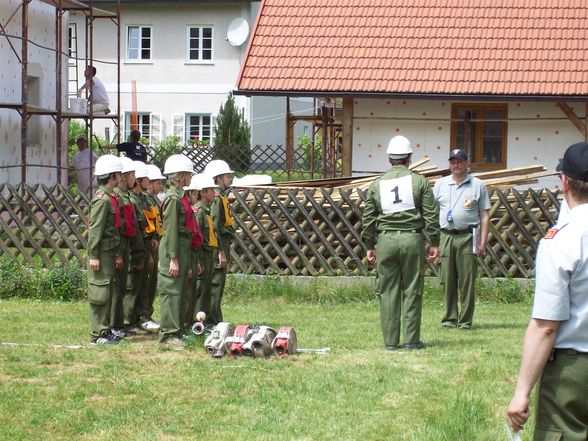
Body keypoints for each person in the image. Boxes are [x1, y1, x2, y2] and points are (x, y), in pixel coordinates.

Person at [507, 141, 588, 440]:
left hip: (574, 367)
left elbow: (544, 326)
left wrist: (521, 392)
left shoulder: (561, 240)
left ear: (564, 182)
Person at [361, 135, 440, 351]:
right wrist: (434, 242)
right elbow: (431, 215)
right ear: (409, 158)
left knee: (387, 290)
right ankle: (411, 340)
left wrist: (369, 245)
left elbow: (368, 218)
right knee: (412, 288)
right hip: (412, 239)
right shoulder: (419, 181)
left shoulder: (376, 184)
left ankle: (390, 342)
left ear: (389, 159)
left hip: (385, 240)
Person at [433, 149, 490, 330]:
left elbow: (485, 216)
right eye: (453, 161)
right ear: (449, 164)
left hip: (468, 236)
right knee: (448, 280)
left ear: (468, 163)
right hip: (446, 236)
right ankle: (449, 319)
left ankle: (465, 321)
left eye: (460, 161)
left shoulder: (478, 185)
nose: (456, 164)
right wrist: (434, 241)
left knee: (467, 280)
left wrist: (482, 242)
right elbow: (432, 212)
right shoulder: (440, 184)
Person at [158, 154, 196, 345]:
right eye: (189, 174)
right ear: (181, 176)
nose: (190, 177)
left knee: (180, 290)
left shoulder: (180, 196)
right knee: (171, 292)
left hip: (182, 248)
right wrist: (173, 258)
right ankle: (168, 334)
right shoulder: (173, 199)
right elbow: (170, 229)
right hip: (174, 250)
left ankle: (177, 329)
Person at [87, 154, 123, 344]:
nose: (120, 177)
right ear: (111, 176)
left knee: (107, 290)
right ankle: (98, 333)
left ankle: (105, 328)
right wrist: (93, 255)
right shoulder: (103, 200)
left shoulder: (110, 198)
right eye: (118, 174)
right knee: (99, 292)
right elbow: (95, 229)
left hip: (109, 252)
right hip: (101, 253)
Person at [110, 157, 145, 339]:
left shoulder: (125, 197)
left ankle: (119, 324)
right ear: (123, 176)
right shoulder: (116, 197)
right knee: (116, 289)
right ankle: (114, 324)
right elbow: (117, 226)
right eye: (132, 175)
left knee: (122, 287)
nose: (135, 179)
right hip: (120, 246)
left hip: (127, 247)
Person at [203, 160, 233, 325]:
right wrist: (220, 251)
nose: (230, 179)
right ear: (219, 178)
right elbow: (213, 226)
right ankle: (212, 320)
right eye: (228, 176)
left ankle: (214, 317)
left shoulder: (221, 196)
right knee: (215, 284)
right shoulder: (216, 198)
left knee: (218, 284)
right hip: (217, 247)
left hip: (222, 245)